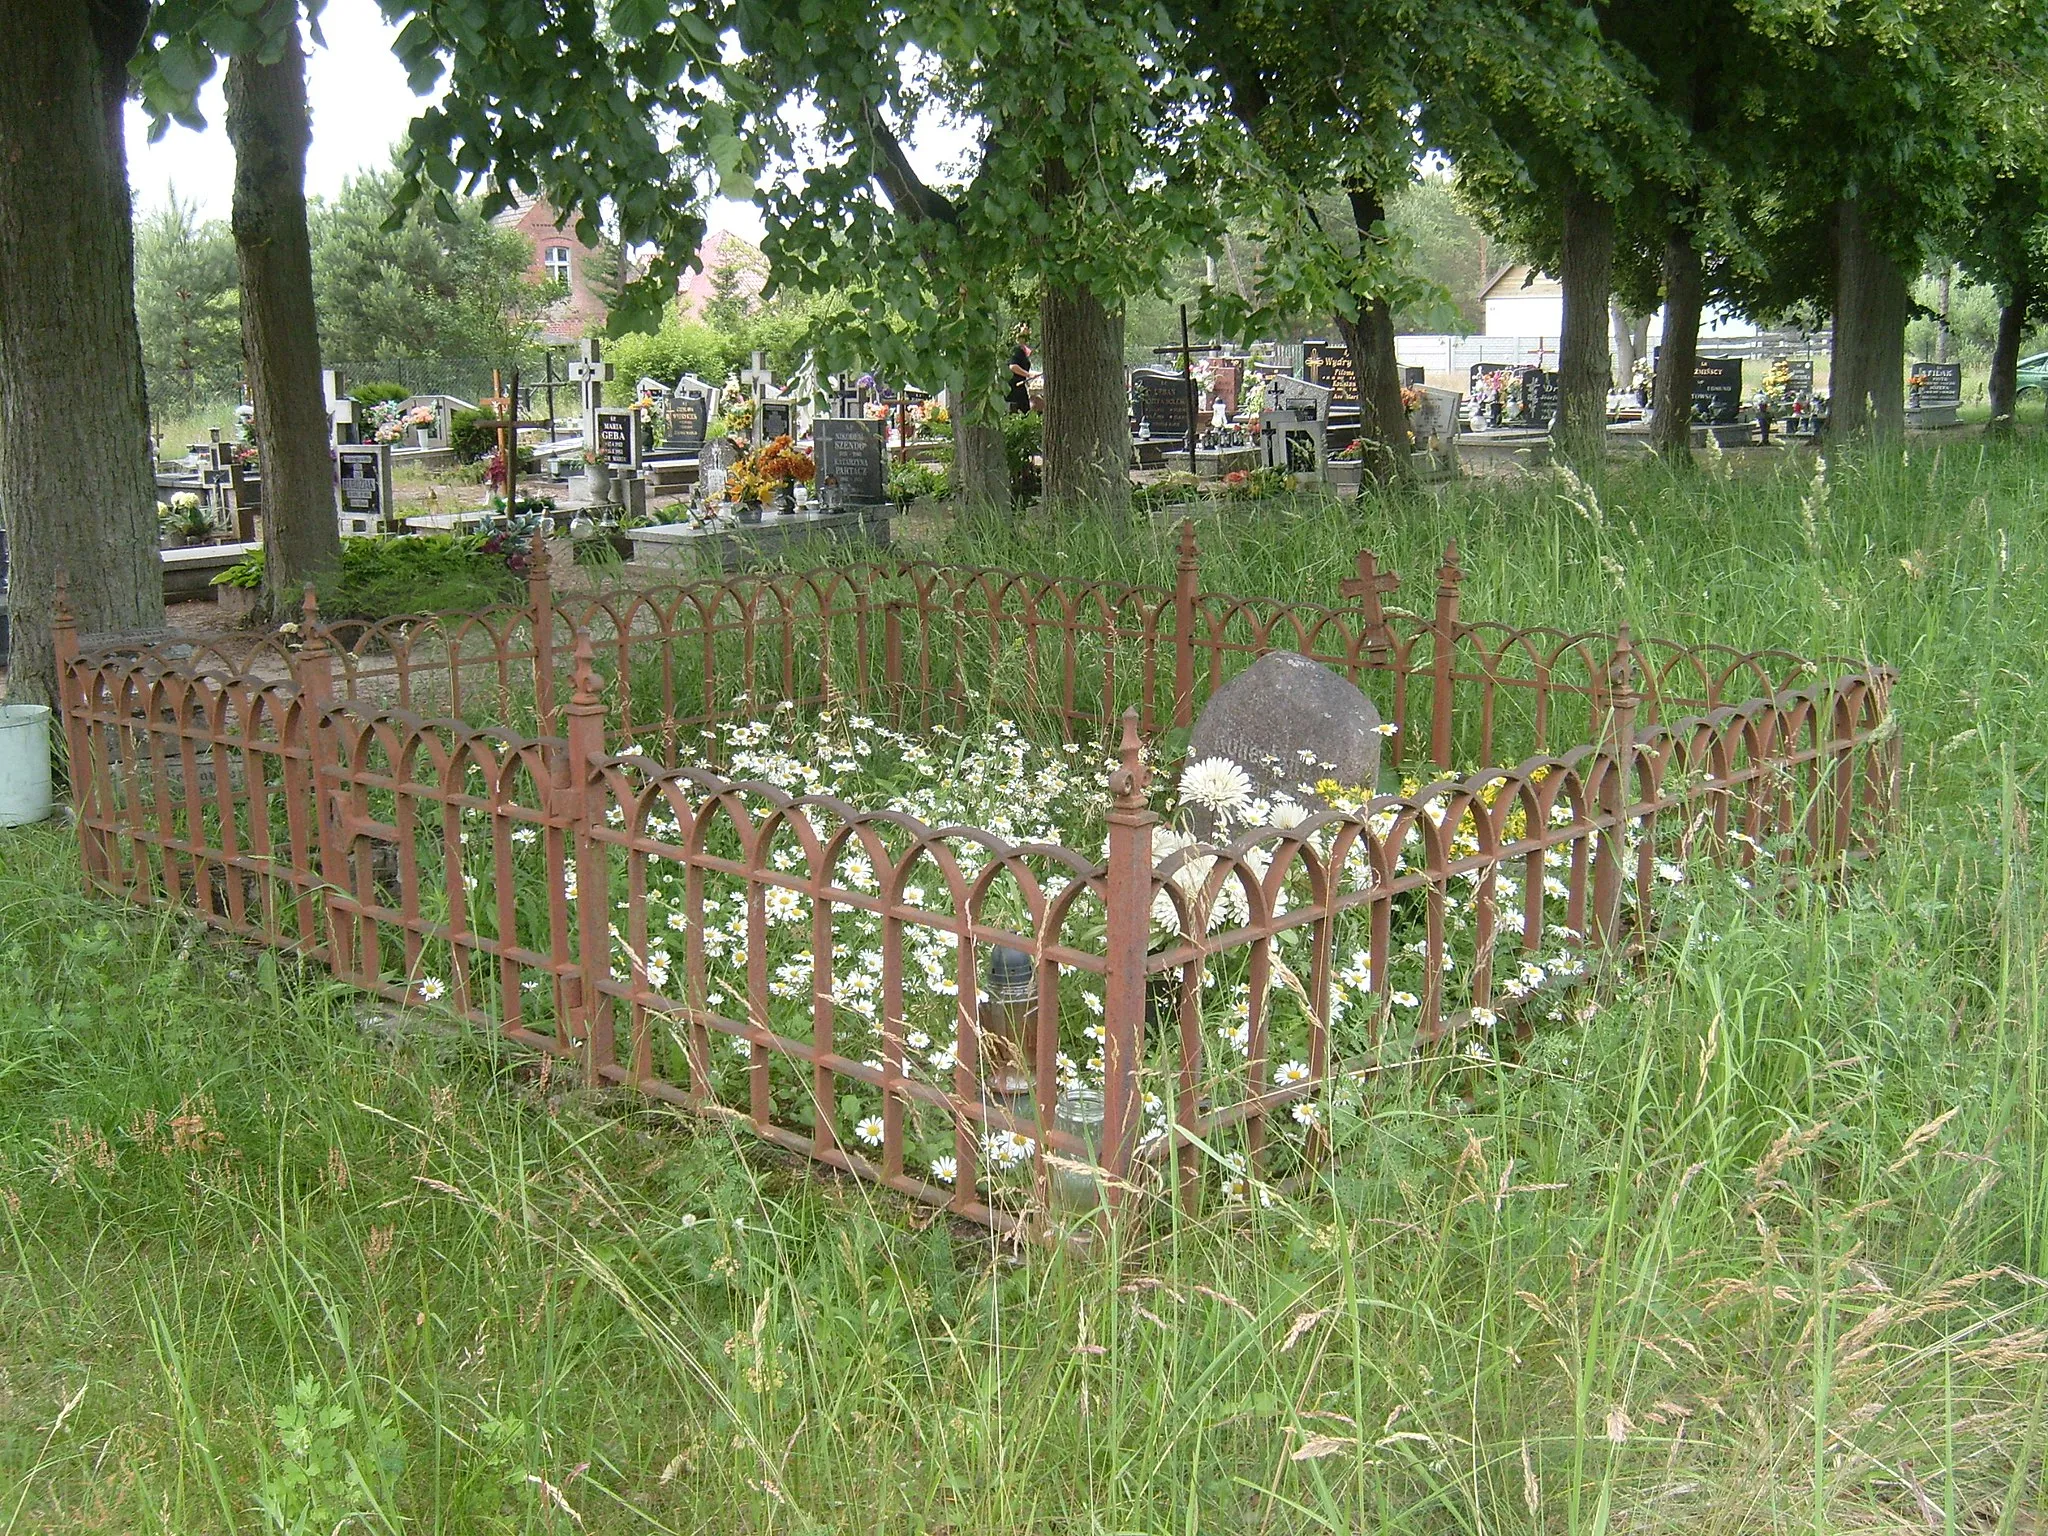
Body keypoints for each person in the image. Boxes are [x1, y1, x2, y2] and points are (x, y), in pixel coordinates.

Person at [1006, 333, 1032, 414]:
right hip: (1014, 386)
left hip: (1020, 385)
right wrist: (1028, 375)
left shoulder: (1022, 352)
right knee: (1023, 410)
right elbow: (1013, 366)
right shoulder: (1017, 350)